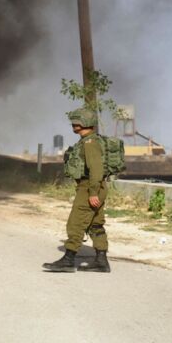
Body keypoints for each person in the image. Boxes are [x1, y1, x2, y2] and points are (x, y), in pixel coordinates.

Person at [43, 107, 110, 273]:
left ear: (84, 122)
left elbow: (95, 169)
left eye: (76, 121)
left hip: (89, 186)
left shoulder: (90, 143)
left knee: (76, 223)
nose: (73, 124)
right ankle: (101, 260)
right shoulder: (91, 140)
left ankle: (68, 259)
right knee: (95, 224)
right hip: (95, 186)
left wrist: (93, 192)